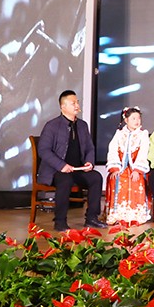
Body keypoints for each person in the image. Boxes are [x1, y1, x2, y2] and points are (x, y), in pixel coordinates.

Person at [37, 90, 107, 231]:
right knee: (65, 180)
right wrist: (61, 165)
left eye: (77, 102)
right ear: (63, 106)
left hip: (77, 169)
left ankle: (92, 218)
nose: (77, 105)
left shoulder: (82, 125)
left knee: (96, 177)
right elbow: (43, 150)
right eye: (73, 103)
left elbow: (89, 148)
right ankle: (60, 221)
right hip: (57, 170)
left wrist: (89, 162)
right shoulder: (52, 125)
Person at [104, 106, 151, 225]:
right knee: (116, 178)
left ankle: (136, 214)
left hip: (136, 168)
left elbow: (143, 152)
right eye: (133, 118)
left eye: (138, 118)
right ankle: (117, 214)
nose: (137, 121)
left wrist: (137, 170)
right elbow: (112, 150)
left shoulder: (143, 134)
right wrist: (115, 168)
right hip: (121, 167)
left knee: (136, 179)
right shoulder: (119, 134)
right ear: (126, 120)